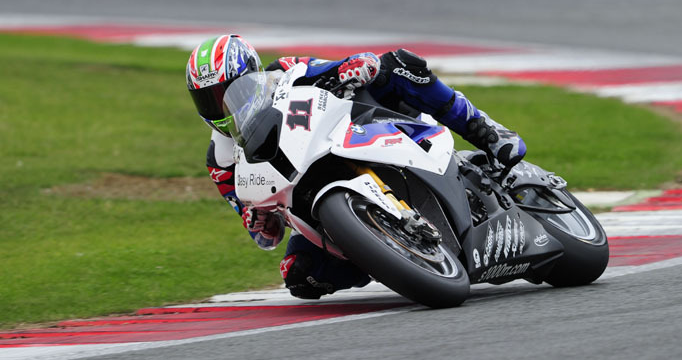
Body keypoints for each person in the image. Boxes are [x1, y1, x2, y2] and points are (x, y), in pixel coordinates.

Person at [186, 34, 526, 299]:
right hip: (311, 199)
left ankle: (484, 129)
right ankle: (393, 254)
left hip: (354, 129)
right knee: (300, 276)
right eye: (210, 98)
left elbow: (334, 67)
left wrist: (352, 68)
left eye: (229, 92)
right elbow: (266, 237)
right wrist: (258, 221)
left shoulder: (284, 71)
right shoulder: (221, 161)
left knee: (397, 63)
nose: (222, 105)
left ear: (253, 75)